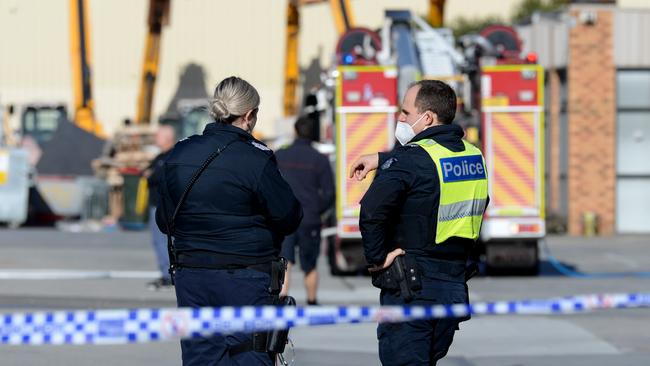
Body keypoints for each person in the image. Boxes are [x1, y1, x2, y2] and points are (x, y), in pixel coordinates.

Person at [156, 76, 303, 365]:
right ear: (248, 115)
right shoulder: (256, 158)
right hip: (246, 276)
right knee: (250, 354)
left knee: (201, 357)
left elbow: (165, 220)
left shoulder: (179, 153)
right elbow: (289, 216)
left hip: (192, 276)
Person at [349, 80, 489, 365]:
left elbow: (372, 212)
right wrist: (382, 158)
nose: (399, 118)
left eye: (405, 112)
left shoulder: (411, 160)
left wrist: (376, 259)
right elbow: (432, 163)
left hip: (412, 288)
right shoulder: (474, 156)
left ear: (427, 118)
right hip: (453, 287)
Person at [276, 116, 335, 305]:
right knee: (310, 265)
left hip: (285, 218)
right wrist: (318, 210)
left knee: (285, 261)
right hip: (309, 218)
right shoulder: (319, 159)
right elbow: (329, 193)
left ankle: (282, 300)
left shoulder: (280, 155)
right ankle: (311, 301)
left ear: (295, 131)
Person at [145, 124, 176, 290]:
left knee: (163, 241)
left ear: (167, 138)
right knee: (160, 242)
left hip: (163, 206)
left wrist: (150, 175)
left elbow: (154, 176)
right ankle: (167, 273)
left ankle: (168, 275)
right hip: (156, 204)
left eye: (158, 136)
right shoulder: (159, 156)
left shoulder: (171, 156)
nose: (155, 138)